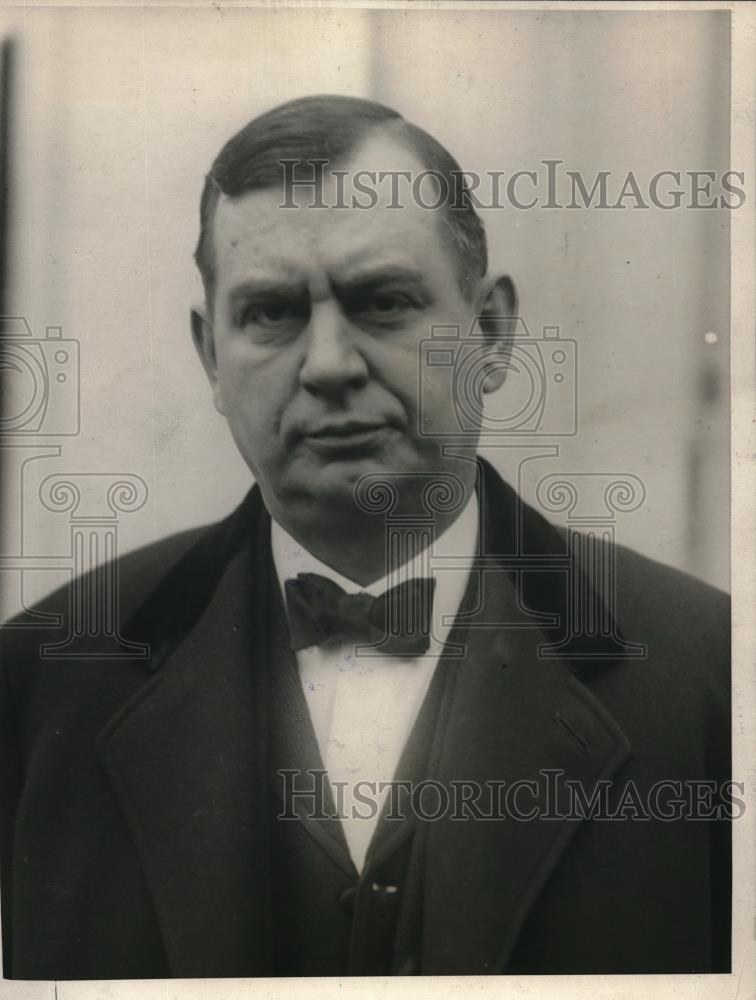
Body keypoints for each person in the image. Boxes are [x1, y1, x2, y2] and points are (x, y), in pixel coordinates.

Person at [0, 95, 730, 979]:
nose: (330, 364)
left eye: (383, 303)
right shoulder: (42, 683)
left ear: (491, 334)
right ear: (210, 360)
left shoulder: (711, 673)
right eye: (270, 313)